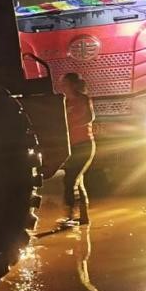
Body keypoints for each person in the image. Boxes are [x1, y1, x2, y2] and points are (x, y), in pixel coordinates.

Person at [59, 72, 96, 227]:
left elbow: (89, 117)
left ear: (73, 85)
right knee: (77, 181)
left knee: (71, 180)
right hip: (71, 147)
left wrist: (70, 123)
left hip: (85, 145)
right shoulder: (64, 102)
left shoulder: (83, 99)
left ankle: (70, 216)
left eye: (65, 84)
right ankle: (83, 217)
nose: (63, 87)